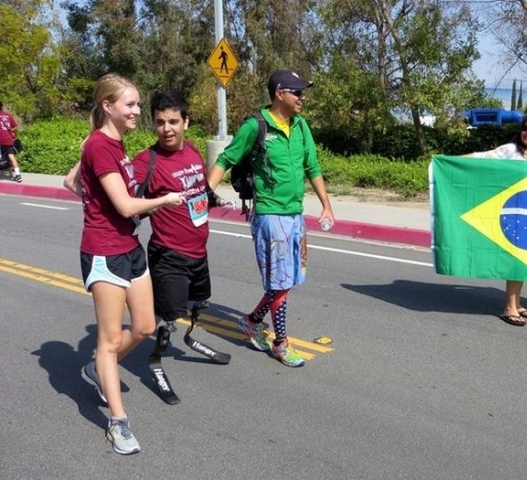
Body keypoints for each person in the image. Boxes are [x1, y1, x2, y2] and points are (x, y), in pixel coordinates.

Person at [63, 74, 183, 454]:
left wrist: (91, 196)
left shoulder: (110, 144)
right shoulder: (100, 146)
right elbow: (127, 206)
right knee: (110, 341)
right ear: (108, 107)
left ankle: (97, 368)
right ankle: (118, 422)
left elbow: (71, 181)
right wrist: (164, 200)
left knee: (145, 325)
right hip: (104, 252)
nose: (136, 111)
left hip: (130, 248)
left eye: (136, 104)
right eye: (130, 105)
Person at [206, 69, 336, 367]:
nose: (302, 97)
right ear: (280, 93)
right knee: (280, 281)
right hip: (269, 215)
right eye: (297, 92)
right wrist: (205, 192)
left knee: (287, 279)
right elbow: (226, 158)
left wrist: (326, 206)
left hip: (294, 215)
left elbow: (312, 167)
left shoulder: (300, 126)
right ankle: (280, 343)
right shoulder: (256, 126)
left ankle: (251, 321)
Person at [132, 92, 232, 342]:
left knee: (191, 304)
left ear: (185, 122)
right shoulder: (146, 162)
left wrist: (216, 199)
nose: (166, 129)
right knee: (154, 321)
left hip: (198, 251)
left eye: (173, 121)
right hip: (169, 254)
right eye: (159, 122)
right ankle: (109, 358)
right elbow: (125, 203)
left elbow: (199, 188)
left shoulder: (192, 150)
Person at [467, 112, 527, 327]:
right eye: (525, 128)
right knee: (516, 261)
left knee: (522, 260)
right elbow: (482, 157)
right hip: (510, 214)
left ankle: (517, 303)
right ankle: (509, 307)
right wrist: (448, 161)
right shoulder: (511, 151)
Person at [0, 100, 22, 182]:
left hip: (0, 140)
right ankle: (18, 175)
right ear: (2, 106)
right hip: (9, 139)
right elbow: (15, 127)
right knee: (11, 156)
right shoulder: (8, 115)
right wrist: (14, 135)